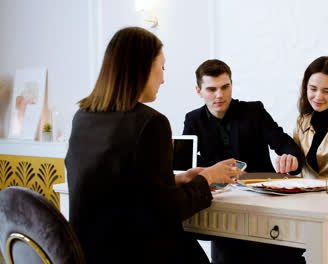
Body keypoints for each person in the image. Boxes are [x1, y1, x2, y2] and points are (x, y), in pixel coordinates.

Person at [65, 27, 242, 264]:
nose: (163, 78)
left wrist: (174, 179)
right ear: (143, 68)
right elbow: (168, 211)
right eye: (162, 68)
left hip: (91, 252)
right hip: (137, 252)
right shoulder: (151, 123)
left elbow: (121, 188)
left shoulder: (83, 117)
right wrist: (207, 178)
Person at [183, 59, 305, 263]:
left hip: (263, 203)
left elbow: (283, 142)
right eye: (212, 89)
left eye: (225, 87)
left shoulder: (254, 111)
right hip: (223, 206)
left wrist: (290, 156)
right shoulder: (193, 120)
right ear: (199, 91)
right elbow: (187, 165)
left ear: (231, 84)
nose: (220, 95)